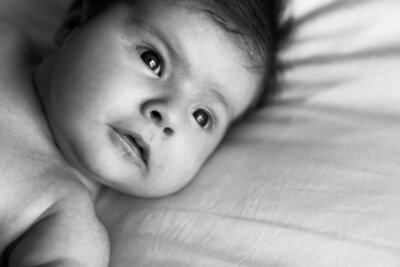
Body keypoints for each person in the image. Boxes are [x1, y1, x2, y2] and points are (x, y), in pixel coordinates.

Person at [0, 0, 289, 266]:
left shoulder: (62, 219)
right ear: (74, 24)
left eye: (201, 116)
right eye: (153, 61)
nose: (169, 115)